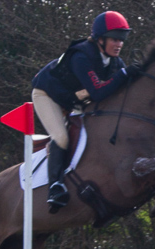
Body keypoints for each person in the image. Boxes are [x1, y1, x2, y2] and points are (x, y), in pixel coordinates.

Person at [31, 10, 140, 212]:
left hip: (76, 97)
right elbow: (98, 93)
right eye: (115, 39)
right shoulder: (82, 56)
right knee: (62, 138)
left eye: (122, 40)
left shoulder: (115, 62)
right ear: (100, 39)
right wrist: (124, 74)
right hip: (48, 94)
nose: (119, 44)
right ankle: (55, 187)